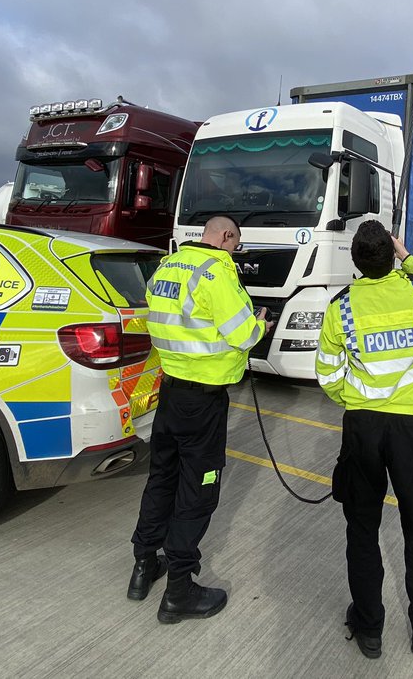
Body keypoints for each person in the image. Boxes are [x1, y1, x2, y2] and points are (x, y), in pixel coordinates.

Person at [315, 220, 413, 659]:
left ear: (355, 260)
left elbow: (327, 374)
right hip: (411, 427)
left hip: (363, 428)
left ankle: (369, 627)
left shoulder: (340, 307)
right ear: (390, 254)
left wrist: (354, 401)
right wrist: (405, 253)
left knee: (361, 528)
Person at [127, 214, 274, 624]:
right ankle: (179, 590)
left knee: (161, 478)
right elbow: (242, 335)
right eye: (236, 244)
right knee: (197, 490)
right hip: (205, 401)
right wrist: (261, 323)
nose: (235, 251)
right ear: (226, 237)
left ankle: (143, 567)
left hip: (170, 392)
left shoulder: (167, 266)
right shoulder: (217, 273)